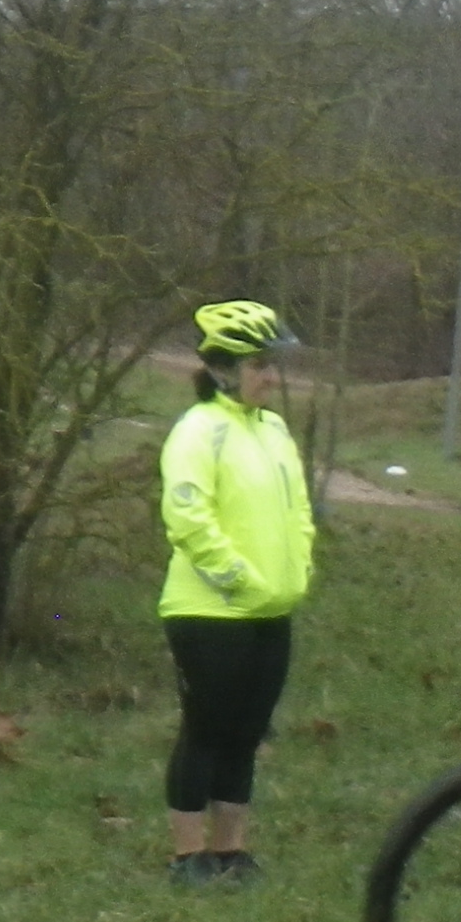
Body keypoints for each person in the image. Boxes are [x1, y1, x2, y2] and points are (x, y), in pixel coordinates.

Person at [157, 300, 314, 886]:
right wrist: (238, 578)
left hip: (272, 609)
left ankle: (230, 851)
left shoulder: (274, 430)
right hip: (209, 612)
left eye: (273, 365)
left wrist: (297, 571)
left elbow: (299, 512)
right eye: (258, 365)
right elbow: (188, 518)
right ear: (223, 370)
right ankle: (187, 856)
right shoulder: (198, 431)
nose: (271, 377)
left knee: (246, 734)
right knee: (206, 729)